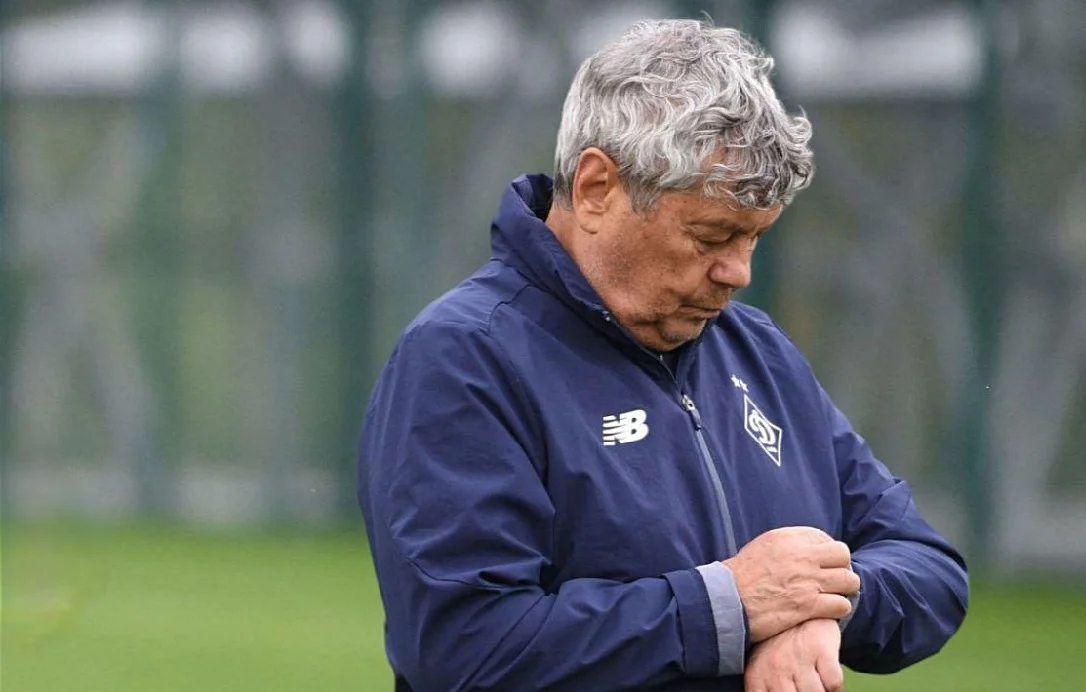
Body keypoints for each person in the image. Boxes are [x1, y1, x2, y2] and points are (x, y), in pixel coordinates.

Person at [358, 18, 968, 692]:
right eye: (712, 236)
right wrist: (728, 607)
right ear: (596, 188)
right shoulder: (465, 359)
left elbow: (927, 565)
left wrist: (820, 609)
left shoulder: (758, 351)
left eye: (755, 238)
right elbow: (465, 650)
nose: (738, 273)